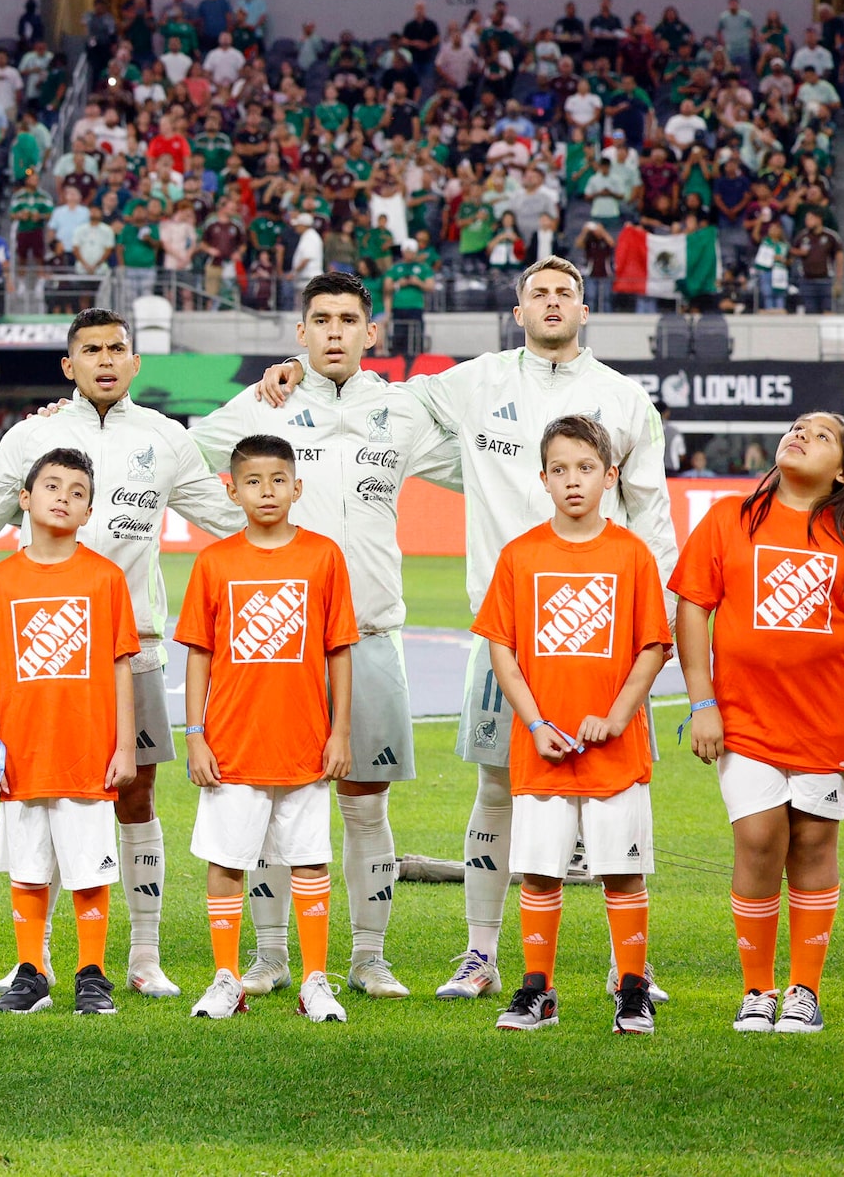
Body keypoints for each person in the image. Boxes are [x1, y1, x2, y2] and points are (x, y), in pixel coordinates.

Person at [250, 251, 675, 1002]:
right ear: (517, 311)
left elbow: (653, 516)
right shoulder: (472, 382)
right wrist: (297, 365)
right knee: (497, 786)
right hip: (504, 632)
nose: (550, 302)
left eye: (564, 293)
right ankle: (480, 955)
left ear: (584, 310)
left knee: (615, 794)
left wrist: (660, 625)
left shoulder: (624, 399)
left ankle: (626, 964)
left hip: (602, 631)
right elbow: (372, 395)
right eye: (536, 292)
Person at [0, 306, 244, 997]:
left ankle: (142, 956)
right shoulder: (35, 433)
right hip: (39, 655)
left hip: (131, 649)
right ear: (68, 364)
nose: (105, 360)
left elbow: (229, 515)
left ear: (134, 360)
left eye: (117, 348)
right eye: (90, 350)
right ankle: (39, 960)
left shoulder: (164, 438)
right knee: (37, 796)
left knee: (133, 796)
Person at [187, 270, 455, 999]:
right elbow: (182, 452)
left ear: (371, 334)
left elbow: (479, 466)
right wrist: (259, 391)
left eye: (348, 320)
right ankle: (270, 958)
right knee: (272, 803)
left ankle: (368, 958)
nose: (334, 332)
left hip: (366, 636)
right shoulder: (267, 403)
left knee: (365, 803)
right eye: (320, 321)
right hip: (275, 646)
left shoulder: (398, 412)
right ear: (299, 334)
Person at [675, 412, 844, 1035]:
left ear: (843, 473)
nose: (800, 433)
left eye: (821, 435)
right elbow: (693, 609)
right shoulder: (730, 519)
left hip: (827, 731)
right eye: (798, 426)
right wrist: (702, 704)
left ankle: (804, 989)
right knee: (757, 840)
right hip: (744, 724)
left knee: (813, 845)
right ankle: (757, 990)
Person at [470, 416, 669, 1036]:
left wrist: (615, 716)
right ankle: (538, 991)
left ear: (610, 477)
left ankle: (631, 988)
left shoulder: (631, 554)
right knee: (539, 868)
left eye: (586, 467)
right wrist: (533, 723)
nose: (573, 480)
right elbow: (501, 647)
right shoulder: (521, 555)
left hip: (615, 751)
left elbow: (653, 647)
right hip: (544, 750)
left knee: (621, 870)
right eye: (560, 469)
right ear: (544, 479)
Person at [174, 434, 356, 1023]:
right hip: (231, 743)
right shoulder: (214, 561)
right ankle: (228, 978)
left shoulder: (324, 556)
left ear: (297, 487)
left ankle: (314, 980)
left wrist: (340, 731)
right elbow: (198, 654)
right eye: (253, 481)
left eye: (278, 479)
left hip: (304, 739)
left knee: (308, 859)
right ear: (232, 490)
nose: (267, 491)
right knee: (227, 860)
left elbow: (338, 651)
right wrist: (195, 733)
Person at [0, 447, 138, 1018]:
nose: (63, 498)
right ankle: (31, 971)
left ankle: (92, 974)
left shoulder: (105, 578)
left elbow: (119, 665)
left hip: (88, 749)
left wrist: (124, 745)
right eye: (52, 487)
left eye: (77, 492)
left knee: (90, 866)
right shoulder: (0, 580)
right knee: (28, 865)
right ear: (25, 498)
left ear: (88, 511)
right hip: (22, 750)